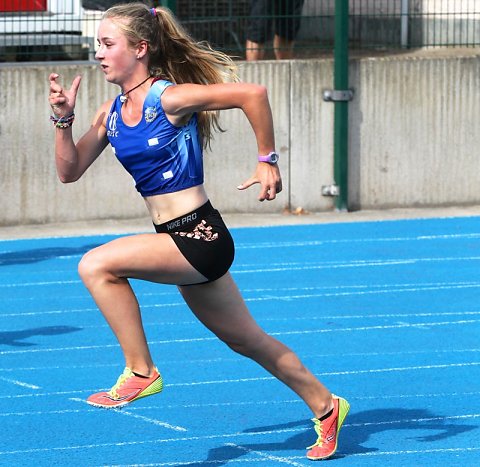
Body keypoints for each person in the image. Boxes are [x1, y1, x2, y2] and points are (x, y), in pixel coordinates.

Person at [48, 2, 348, 460]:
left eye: (109, 44)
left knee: (97, 264)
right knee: (245, 339)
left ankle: (141, 371)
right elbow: (69, 172)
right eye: (98, 45)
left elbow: (254, 93)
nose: (99, 54)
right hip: (177, 239)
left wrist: (267, 159)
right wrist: (63, 120)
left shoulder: (167, 98)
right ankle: (327, 406)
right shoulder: (109, 113)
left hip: (200, 237)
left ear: (141, 48)